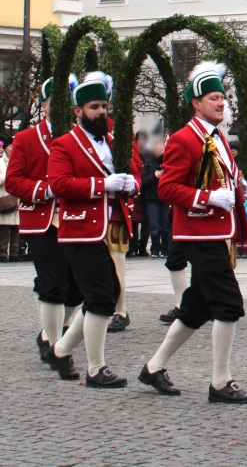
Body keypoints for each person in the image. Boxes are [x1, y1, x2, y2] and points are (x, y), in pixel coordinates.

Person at [138, 62, 247, 404]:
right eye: (213, 98)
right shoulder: (183, 138)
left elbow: (223, 176)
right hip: (199, 233)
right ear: (196, 103)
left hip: (215, 230)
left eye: (222, 97)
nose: (221, 103)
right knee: (228, 304)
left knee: (197, 307)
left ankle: (154, 367)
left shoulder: (216, 137)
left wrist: (241, 188)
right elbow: (167, 188)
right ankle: (220, 382)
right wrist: (207, 198)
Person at [47, 72, 142, 388]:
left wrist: (131, 185)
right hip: (79, 229)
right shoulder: (64, 144)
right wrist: (102, 185)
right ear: (78, 111)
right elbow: (59, 185)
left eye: (104, 105)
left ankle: (60, 350)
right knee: (102, 296)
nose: (101, 112)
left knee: (107, 293)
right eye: (94, 107)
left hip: (110, 225)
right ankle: (95, 368)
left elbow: (135, 173)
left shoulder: (114, 141)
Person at [6, 78, 82, 375]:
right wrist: (45, 189)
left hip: (77, 219)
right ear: (44, 105)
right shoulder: (26, 138)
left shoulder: (81, 136)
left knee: (78, 289)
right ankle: (54, 345)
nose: (59, 107)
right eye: (54, 102)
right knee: (53, 284)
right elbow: (13, 181)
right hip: (43, 219)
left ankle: (50, 332)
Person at [142, 140, 170, 257]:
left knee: (165, 225)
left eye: (162, 150)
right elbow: (143, 181)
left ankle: (165, 249)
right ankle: (154, 249)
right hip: (152, 199)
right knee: (154, 226)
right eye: (158, 150)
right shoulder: (148, 162)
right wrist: (155, 176)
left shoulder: (168, 162)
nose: (161, 152)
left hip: (165, 198)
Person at [0, 141, 19, 261]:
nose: (13, 148)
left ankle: (14, 253)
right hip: (5, 199)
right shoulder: (1, 162)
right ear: (5, 148)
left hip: (18, 199)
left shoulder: (19, 161)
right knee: (4, 228)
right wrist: (9, 174)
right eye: (10, 146)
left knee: (17, 228)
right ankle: (2, 253)